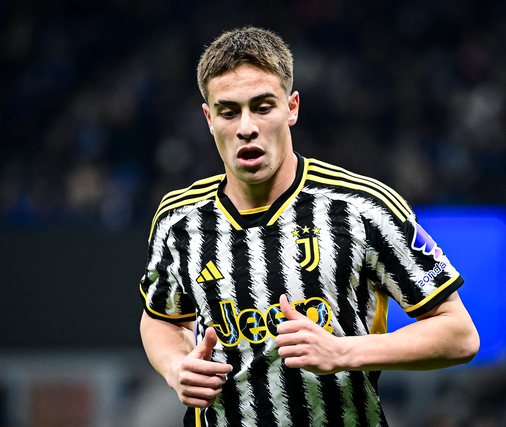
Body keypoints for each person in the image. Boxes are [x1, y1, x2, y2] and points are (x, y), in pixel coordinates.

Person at [139, 26, 479, 427]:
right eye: (229, 112)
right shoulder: (179, 219)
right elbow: (161, 316)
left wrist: (344, 352)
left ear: (292, 107)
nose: (246, 127)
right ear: (209, 118)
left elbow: (459, 334)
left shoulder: (364, 208)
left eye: (262, 107)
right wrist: (175, 366)